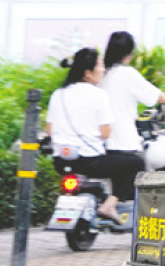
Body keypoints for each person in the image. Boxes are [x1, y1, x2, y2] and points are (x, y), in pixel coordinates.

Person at [46, 48, 145, 223]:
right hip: (89, 161)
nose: (103, 70)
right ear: (88, 72)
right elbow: (105, 133)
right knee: (135, 163)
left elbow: (49, 131)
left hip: (61, 161)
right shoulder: (99, 94)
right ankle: (110, 205)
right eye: (100, 65)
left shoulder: (58, 94)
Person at [100, 32, 165, 157]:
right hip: (123, 142)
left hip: (100, 145)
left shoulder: (101, 75)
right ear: (129, 54)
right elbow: (155, 96)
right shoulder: (127, 73)